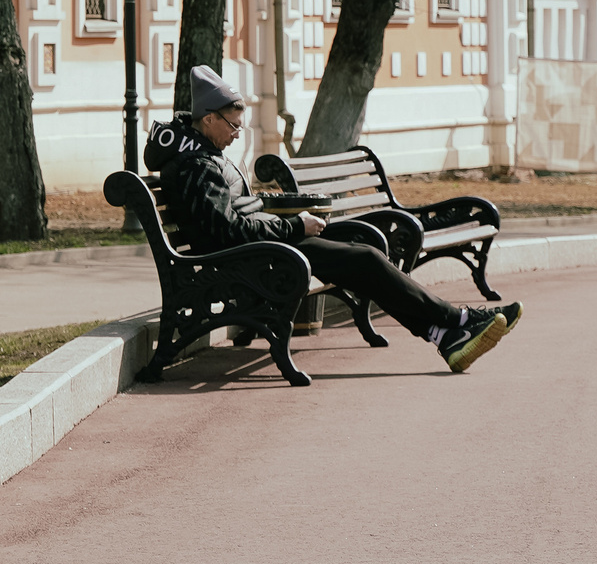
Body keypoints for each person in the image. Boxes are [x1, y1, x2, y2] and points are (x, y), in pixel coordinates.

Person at [145, 66, 520, 373]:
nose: (236, 133)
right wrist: (295, 226)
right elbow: (227, 231)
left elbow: (233, 217)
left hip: (261, 251)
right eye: (232, 125)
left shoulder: (201, 154)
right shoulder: (195, 166)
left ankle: (445, 333)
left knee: (364, 247)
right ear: (208, 119)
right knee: (365, 258)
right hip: (247, 261)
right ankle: (457, 321)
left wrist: (289, 220)